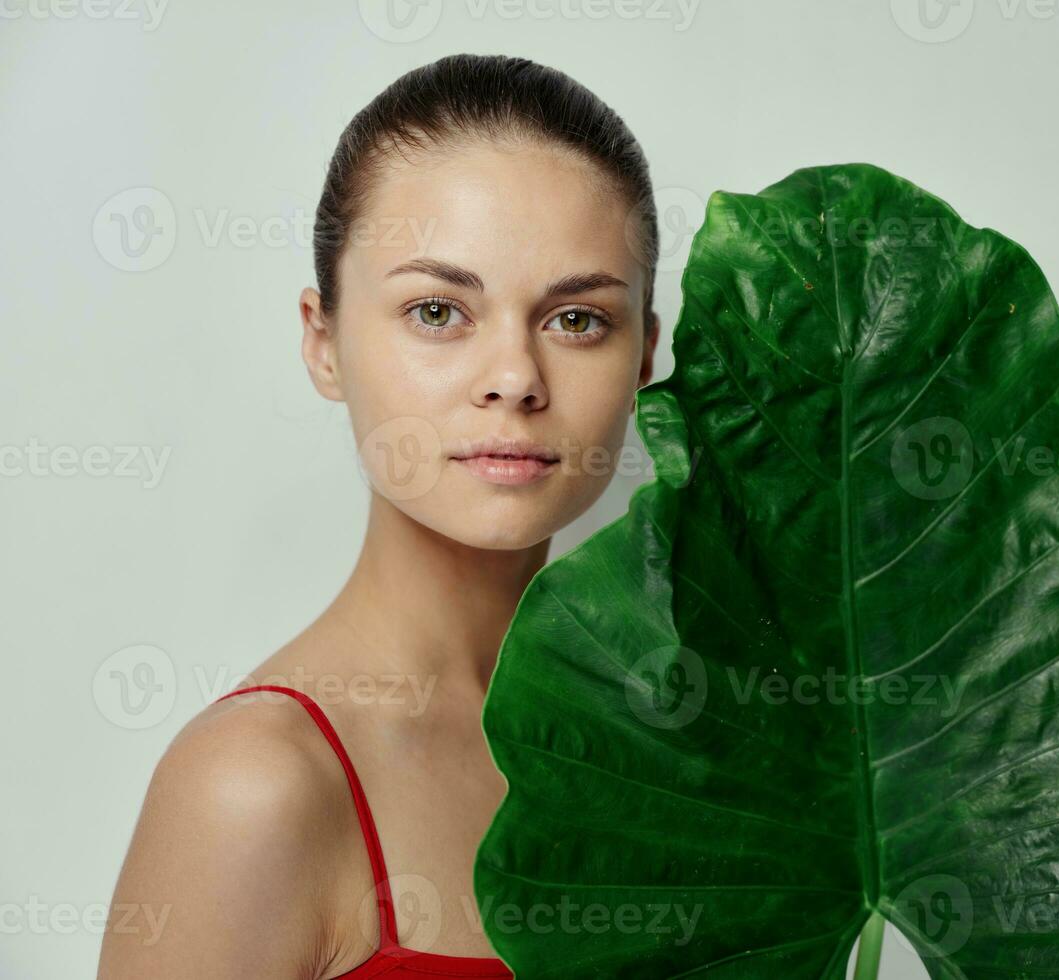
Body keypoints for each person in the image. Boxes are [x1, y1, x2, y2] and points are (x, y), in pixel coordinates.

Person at [97, 53, 661, 979]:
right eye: (438, 310)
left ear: (645, 354)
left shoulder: (674, 748)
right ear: (322, 343)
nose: (514, 379)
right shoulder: (254, 786)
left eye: (576, 320)